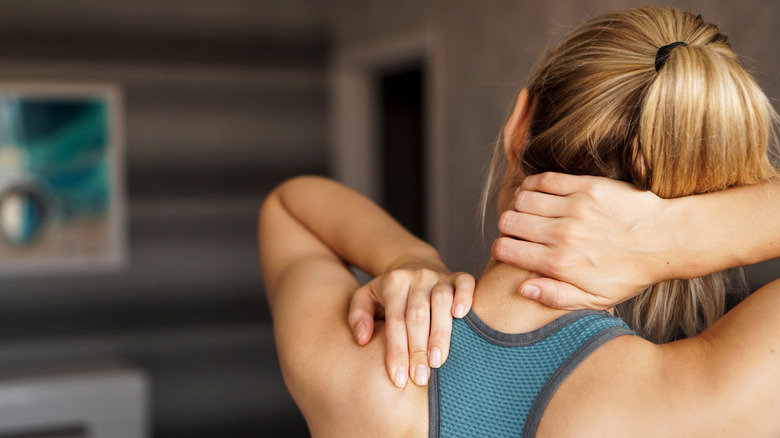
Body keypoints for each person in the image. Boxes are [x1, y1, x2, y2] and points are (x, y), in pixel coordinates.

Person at [259, 7, 780, 437]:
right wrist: (678, 234)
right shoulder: (698, 401)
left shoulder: (358, 367)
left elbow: (290, 205)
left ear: (518, 124)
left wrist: (407, 258)